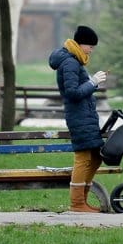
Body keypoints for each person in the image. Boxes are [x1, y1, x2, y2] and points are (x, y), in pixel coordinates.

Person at [48, 25, 108, 213]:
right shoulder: (70, 63)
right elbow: (72, 93)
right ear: (81, 44)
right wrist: (93, 82)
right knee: (83, 157)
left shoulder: (74, 61)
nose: (92, 50)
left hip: (86, 115)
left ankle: (82, 200)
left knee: (97, 157)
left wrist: (91, 83)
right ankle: (76, 204)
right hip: (79, 116)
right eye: (90, 46)